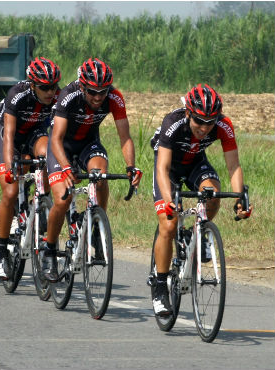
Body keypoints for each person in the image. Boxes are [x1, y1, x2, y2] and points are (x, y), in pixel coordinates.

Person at [150, 83, 252, 316]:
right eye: (199, 121)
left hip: (196, 163)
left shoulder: (223, 125)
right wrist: (168, 201)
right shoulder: (172, 122)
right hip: (170, 169)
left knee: (213, 194)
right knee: (169, 223)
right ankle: (159, 286)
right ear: (188, 113)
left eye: (210, 122)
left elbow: (233, 165)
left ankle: (199, 231)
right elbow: (163, 168)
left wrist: (239, 200)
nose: (205, 128)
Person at [44, 58, 143, 282]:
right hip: (62, 147)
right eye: (92, 92)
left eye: (103, 92)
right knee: (61, 200)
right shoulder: (68, 96)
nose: (98, 97)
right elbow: (56, 139)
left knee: (100, 177)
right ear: (82, 86)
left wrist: (131, 167)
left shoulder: (115, 98)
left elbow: (125, 137)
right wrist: (67, 167)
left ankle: (97, 226)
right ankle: (49, 250)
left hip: (90, 143)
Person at [0, 57, 61, 280]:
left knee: (47, 156)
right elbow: (9, 134)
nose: (50, 92)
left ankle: (40, 199)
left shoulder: (58, 97)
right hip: (11, 137)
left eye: (53, 86)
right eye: (45, 87)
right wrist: (9, 165)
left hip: (35, 135)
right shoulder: (18, 94)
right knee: (11, 191)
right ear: (33, 85)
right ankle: (2, 250)